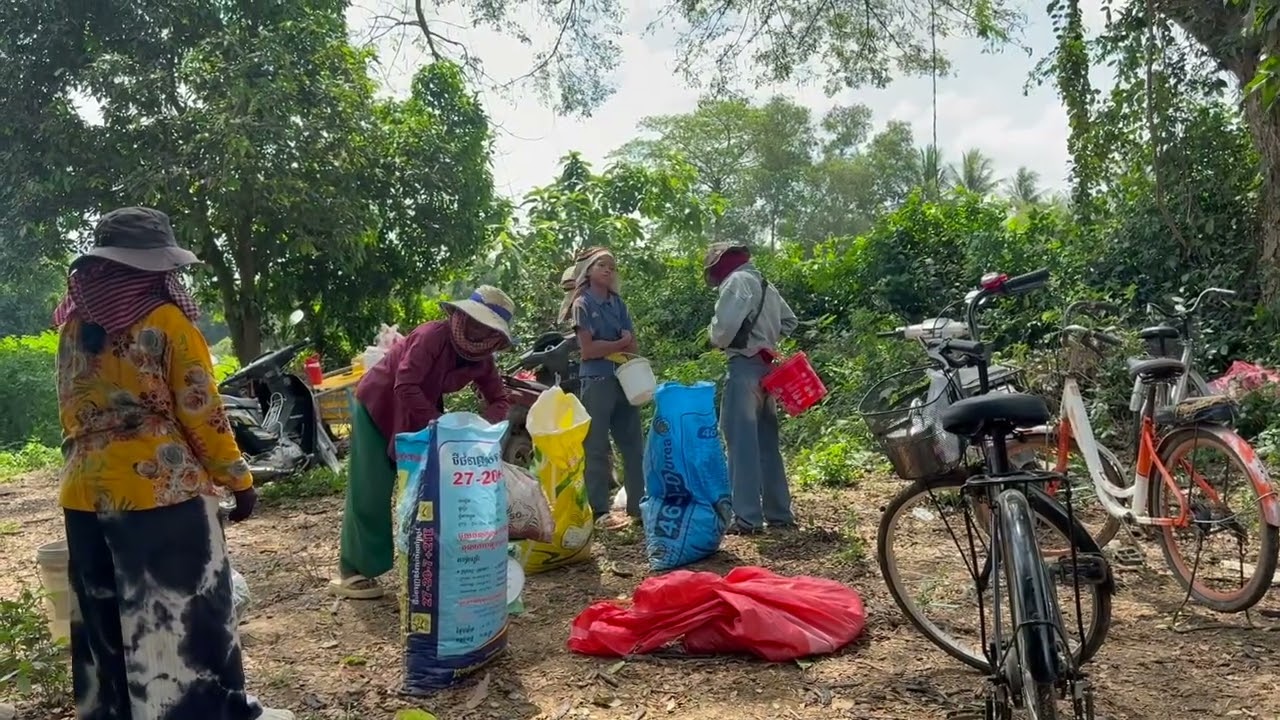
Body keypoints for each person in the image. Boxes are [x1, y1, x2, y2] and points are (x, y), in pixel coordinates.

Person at [53, 206, 294, 720]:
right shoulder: (164, 320)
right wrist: (239, 479)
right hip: (160, 493)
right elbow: (202, 411)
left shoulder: (72, 325)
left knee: (108, 619)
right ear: (153, 266)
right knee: (181, 616)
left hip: (82, 491)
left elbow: (69, 409)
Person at [332, 286, 515, 599]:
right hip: (380, 403)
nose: (479, 331)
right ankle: (355, 570)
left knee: (425, 490)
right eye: (475, 321)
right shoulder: (432, 336)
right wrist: (440, 425)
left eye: (488, 328)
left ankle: (425, 564)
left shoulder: (482, 357)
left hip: (424, 411)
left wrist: (482, 430)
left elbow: (499, 398)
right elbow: (405, 384)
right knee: (371, 486)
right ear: (463, 316)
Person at [704, 242, 799, 535]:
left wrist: (717, 335)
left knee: (741, 444)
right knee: (767, 444)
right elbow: (789, 321)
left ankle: (746, 518)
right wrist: (766, 339)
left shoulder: (736, 282)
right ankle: (779, 515)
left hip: (744, 367)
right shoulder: (763, 283)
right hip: (769, 369)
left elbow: (722, 333)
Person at [568, 248, 644, 529]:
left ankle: (639, 506)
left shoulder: (618, 304)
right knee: (596, 446)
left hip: (623, 379)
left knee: (634, 444)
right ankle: (599, 511)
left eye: (612, 266)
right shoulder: (582, 304)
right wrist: (618, 344)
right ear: (588, 270)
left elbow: (633, 346)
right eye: (602, 265)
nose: (608, 270)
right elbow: (588, 350)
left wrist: (613, 346)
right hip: (596, 381)